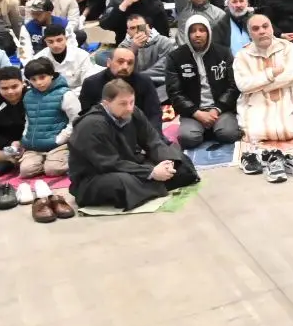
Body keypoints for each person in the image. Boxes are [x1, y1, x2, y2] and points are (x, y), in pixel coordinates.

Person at [68, 77, 198, 211]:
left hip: (130, 164)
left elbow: (152, 140)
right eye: (123, 104)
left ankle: (155, 184)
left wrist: (167, 161)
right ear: (106, 104)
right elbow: (109, 163)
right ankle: (158, 183)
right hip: (96, 176)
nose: (129, 108)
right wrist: (151, 172)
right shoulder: (91, 125)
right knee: (123, 183)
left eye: (131, 101)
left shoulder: (132, 112)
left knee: (180, 162)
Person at [166, 14, 242, 149]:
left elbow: (233, 85)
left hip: (220, 110)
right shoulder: (176, 57)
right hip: (193, 112)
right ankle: (207, 129)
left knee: (229, 134)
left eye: (202, 30)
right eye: (193, 31)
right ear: (187, 34)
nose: (197, 34)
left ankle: (213, 128)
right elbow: (174, 92)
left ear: (208, 32)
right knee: (188, 139)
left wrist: (217, 109)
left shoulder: (223, 52)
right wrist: (196, 113)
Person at [232, 14, 293, 145]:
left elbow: (290, 77)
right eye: (255, 29)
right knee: (257, 134)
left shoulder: (288, 47)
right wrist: (270, 74)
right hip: (255, 101)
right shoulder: (242, 55)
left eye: (265, 26)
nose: (262, 31)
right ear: (249, 33)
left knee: (286, 131)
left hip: (284, 98)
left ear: (272, 29)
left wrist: (261, 85)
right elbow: (243, 86)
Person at [18, 56, 80, 179]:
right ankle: (46, 162)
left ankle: (67, 160)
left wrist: (60, 139)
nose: (38, 82)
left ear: (51, 75)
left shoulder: (65, 94)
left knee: (52, 170)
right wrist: (26, 136)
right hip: (33, 145)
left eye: (42, 77)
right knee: (25, 171)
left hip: (58, 144)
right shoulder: (28, 96)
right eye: (33, 79)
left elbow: (76, 120)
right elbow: (28, 119)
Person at [80, 45, 164, 130]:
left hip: (139, 131)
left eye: (130, 63)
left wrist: (152, 138)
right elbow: (87, 117)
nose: (125, 67)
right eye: (120, 62)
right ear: (109, 62)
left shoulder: (144, 81)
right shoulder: (91, 83)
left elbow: (154, 114)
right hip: (104, 133)